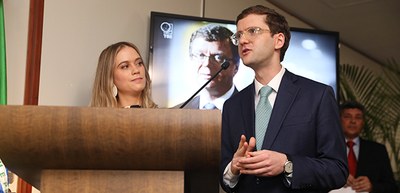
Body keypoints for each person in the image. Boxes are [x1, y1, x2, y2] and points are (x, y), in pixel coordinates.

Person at [220, 5, 348, 193]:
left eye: (252, 31)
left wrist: (287, 164)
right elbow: (226, 177)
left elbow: (337, 170)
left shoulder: (317, 96)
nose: (242, 40)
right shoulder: (232, 105)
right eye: (238, 35)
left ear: (279, 40)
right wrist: (233, 168)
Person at [339, 101, 398, 193]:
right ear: (339, 120)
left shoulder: (378, 150)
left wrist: (372, 187)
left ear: (363, 122)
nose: (353, 121)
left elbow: (391, 187)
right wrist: (335, 179)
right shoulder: (326, 148)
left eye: (358, 117)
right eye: (347, 116)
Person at [178, 24, 240, 110]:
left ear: (236, 67)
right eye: (201, 55)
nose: (207, 64)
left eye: (218, 57)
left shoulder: (253, 111)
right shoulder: (177, 113)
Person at [90, 41, 157, 108]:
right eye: (125, 66)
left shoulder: (162, 116)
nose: (136, 70)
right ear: (110, 77)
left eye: (139, 63)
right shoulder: (96, 117)